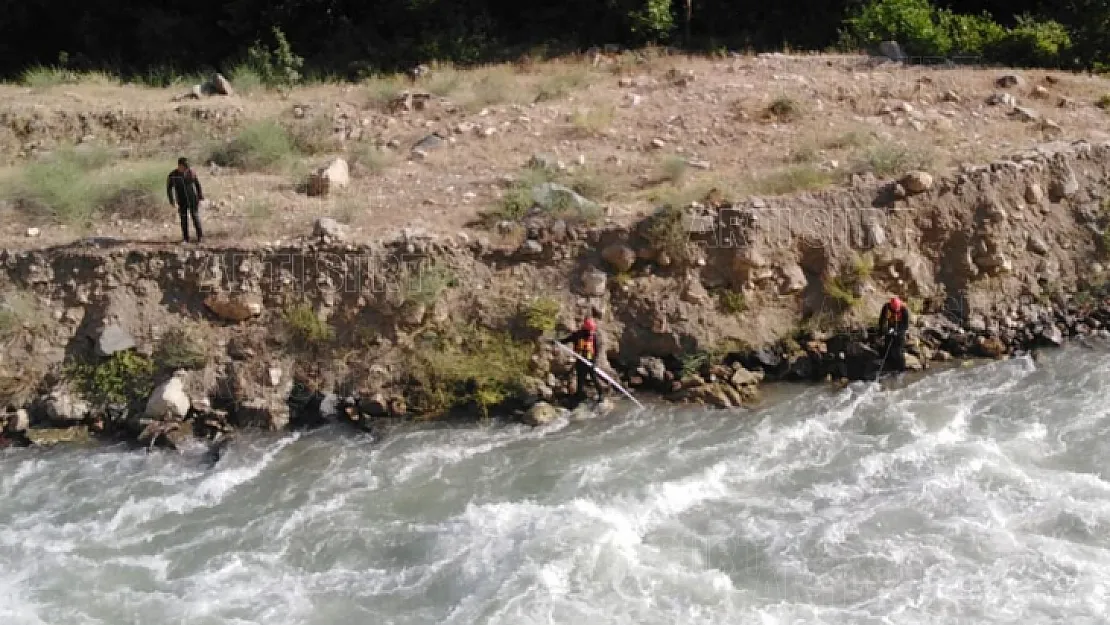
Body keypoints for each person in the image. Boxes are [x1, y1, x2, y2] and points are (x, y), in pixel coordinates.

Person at [559, 316, 607, 404]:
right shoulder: (577, 335)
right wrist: (558, 341)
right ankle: (579, 395)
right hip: (580, 361)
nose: (590, 332)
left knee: (594, 378)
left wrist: (594, 363)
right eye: (589, 330)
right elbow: (567, 340)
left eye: (591, 330)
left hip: (590, 362)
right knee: (580, 379)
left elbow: (596, 350)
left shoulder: (594, 337)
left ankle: (601, 393)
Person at [167, 157, 204, 243]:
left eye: (187, 167)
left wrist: (200, 196)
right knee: (183, 219)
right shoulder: (173, 175)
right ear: (179, 166)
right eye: (184, 167)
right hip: (181, 200)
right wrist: (172, 201)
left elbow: (197, 184)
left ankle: (200, 237)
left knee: (195, 217)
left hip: (192, 199)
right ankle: (185, 238)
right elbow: (169, 188)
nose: (186, 169)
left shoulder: (191, 173)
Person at [877, 296, 910, 371]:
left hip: (900, 328)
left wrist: (898, 332)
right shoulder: (886, 307)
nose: (895, 311)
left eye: (897, 309)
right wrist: (881, 333)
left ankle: (901, 369)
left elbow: (905, 325)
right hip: (891, 326)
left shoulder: (904, 310)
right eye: (894, 309)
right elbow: (882, 320)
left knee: (898, 351)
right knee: (888, 346)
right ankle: (889, 365)